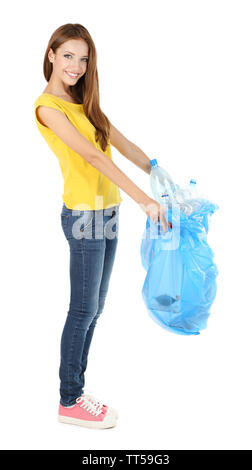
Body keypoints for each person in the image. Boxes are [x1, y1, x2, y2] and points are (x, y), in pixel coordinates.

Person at [34, 23, 171, 430]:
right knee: (83, 309)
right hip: (83, 217)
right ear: (51, 55)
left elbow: (118, 141)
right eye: (69, 55)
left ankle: (75, 390)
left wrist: (155, 168)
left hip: (106, 213)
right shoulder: (47, 108)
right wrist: (144, 200)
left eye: (84, 59)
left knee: (96, 309)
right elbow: (96, 159)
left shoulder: (83, 102)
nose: (76, 66)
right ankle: (68, 399)